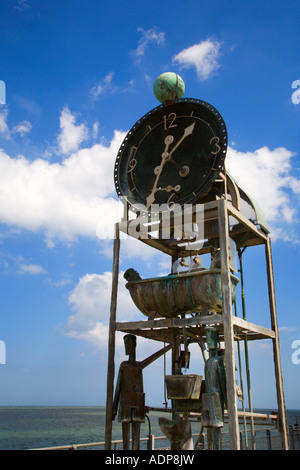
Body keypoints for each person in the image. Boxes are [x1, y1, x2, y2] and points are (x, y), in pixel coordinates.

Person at [112, 334, 171, 450]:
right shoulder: (124, 365)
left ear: (134, 345)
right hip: (125, 403)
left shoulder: (139, 366)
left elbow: (154, 356)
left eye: (129, 344)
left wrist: (170, 346)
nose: (127, 347)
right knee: (125, 437)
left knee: (136, 436)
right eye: (126, 344)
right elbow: (118, 388)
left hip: (137, 401)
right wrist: (113, 410)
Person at [202, 326, 227, 450]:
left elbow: (223, 381)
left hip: (216, 397)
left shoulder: (217, 361)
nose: (209, 341)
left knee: (216, 427)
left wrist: (227, 401)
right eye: (207, 338)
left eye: (211, 337)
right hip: (208, 397)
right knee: (209, 426)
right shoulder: (208, 361)